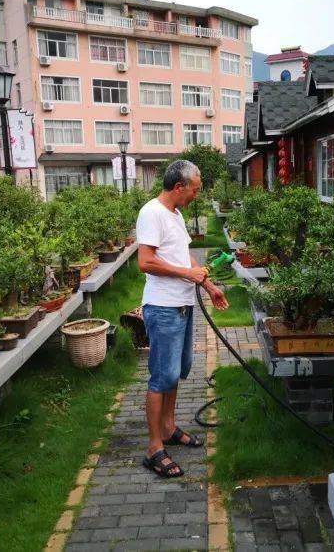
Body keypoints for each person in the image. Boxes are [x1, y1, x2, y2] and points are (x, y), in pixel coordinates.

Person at [136, 159, 229, 478]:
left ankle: (169, 428)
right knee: (161, 377)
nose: (196, 195)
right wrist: (187, 273)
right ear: (179, 187)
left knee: (177, 371)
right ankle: (153, 448)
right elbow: (145, 262)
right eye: (195, 189)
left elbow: (183, 256)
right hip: (162, 308)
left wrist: (208, 285)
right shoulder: (152, 213)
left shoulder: (175, 214)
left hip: (183, 304)